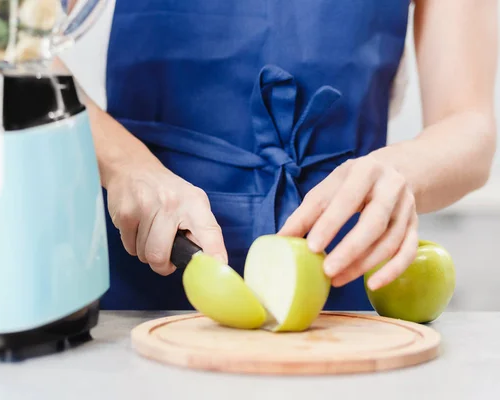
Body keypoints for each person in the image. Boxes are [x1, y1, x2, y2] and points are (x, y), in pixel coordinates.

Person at [82, 0, 498, 311]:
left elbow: (469, 124)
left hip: (343, 264)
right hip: (151, 251)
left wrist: (401, 171)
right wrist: (126, 167)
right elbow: (20, 49)